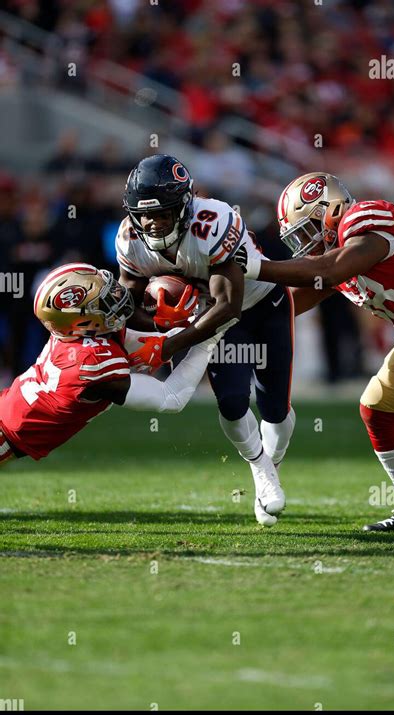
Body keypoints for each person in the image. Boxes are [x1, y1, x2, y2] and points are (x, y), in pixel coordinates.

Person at [233, 172, 394, 532]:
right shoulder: (338, 261)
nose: (304, 243)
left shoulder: (364, 220)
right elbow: (284, 306)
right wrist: (223, 313)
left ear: (331, 210)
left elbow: (329, 270)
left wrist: (254, 266)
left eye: (307, 229)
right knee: (378, 408)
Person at [116, 154, 296, 526]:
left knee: (275, 407)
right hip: (211, 321)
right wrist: (156, 322)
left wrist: (168, 344)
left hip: (261, 306)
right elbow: (128, 301)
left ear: (184, 205)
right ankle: (262, 471)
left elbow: (229, 304)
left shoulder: (212, 221)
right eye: (145, 214)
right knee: (231, 403)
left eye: (163, 212)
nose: (152, 222)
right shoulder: (130, 238)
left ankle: (270, 466)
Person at [0, 263, 219, 468]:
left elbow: (154, 343)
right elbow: (171, 398)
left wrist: (194, 321)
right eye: (102, 301)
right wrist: (210, 337)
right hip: (7, 433)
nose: (118, 294)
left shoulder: (81, 333)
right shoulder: (90, 362)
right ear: (82, 321)